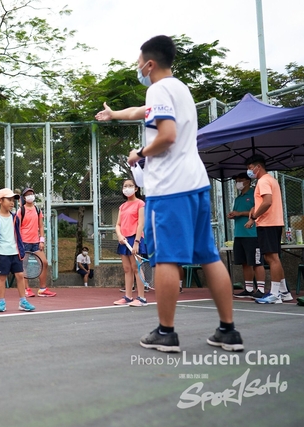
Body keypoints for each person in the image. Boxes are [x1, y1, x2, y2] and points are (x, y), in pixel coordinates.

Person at [95, 35, 242, 353]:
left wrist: (140, 153)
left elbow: (168, 135)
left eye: (138, 64)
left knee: (166, 259)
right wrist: (115, 114)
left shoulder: (158, 88)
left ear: (149, 64)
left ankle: (166, 332)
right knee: (209, 256)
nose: (138, 69)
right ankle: (228, 330)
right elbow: (142, 111)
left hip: (171, 188)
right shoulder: (179, 89)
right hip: (196, 183)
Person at [245, 155, 293, 304]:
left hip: (268, 223)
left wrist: (254, 216)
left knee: (272, 258)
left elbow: (267, 202)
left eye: (250, 168)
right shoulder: (272, 180)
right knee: (273, 258)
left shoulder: (263, 181)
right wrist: (255, 212)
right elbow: (263, 202)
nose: (249, 171)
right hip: (274, 222)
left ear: (257, 167)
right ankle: (284, 292)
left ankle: (274, 294)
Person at [0, 188, 36, 313]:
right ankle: (1, 302)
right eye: (9, 199)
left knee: (19, 275)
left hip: (15, 253)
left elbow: (18, 235)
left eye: (13, 200)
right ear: (0, 201)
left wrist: (21, 250)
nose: (12, 202)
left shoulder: (15, 218)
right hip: (2, 253)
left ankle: (23, 301)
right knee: (2, 277)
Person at [227, 173, 266, 299]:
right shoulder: (238, 198)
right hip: (239, 234)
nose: (238, 182)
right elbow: (240, 214)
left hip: (252, 234)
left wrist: (240, 213)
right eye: (236, 180)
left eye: (241, 180)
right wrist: (234, 215)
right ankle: (248, 288)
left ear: (248, 181)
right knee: (244, 262)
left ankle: (260, 288)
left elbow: (257, 210)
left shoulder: (255, 194)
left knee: (256, 262)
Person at [113, 179, 148, 307]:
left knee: (136, 268)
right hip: (124, 240)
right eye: (125, 186)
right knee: (127, 269)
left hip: (135, 239)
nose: (127, 188)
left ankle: (141, 298)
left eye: (130, 186)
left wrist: (137, 242)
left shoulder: (140, 203)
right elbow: (117, 224)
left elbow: (141, 224)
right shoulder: (122, 206)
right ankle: (128, 297)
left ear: (136, 188)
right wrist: (120, 235)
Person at [17, 188, 56, 297]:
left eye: (32, 194)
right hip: (24, 242)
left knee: (44, 262)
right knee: (23, 265)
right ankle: (26, 289)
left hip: (36, 242)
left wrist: (41, 240)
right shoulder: (21, 210)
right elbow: (17, 226)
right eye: (28, 194)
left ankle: (43, 289)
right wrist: (18, 242)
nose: (30, 196)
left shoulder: (38, 210)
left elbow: (41, 225)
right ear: (24, 198)